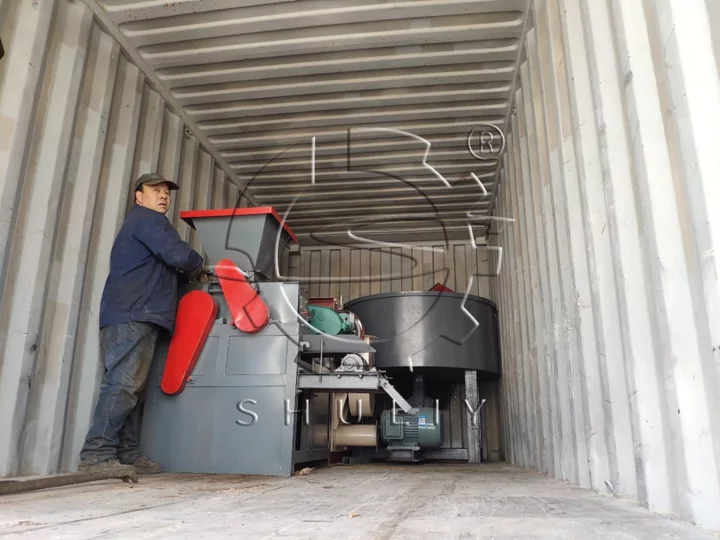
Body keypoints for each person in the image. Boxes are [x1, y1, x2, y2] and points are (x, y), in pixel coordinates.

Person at [78, 173, 204, 474]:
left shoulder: (144, 226)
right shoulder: (148, 220)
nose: (163, 196)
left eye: (167, 193)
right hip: (132, 314)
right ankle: (96, 454)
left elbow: (168, 264)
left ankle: (127, 452)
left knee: (135, 388)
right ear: (139, 196)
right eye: (155, 190)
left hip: (137, 315)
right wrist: (200, 266)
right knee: (123, 384)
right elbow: (178, 255)